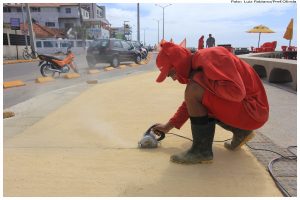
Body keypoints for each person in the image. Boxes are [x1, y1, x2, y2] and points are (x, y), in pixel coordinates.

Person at [152, 42, 269, 164]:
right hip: (252, 111)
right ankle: (241, 131)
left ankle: (201, 151)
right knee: (195, 93)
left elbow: (236, 92)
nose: (174, 78)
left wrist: (199, 81)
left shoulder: (210, 57)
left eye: (171, 73)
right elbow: (191, 102)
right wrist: (168, 126)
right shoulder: (198, 65)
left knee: (194, 90)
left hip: (253, 111)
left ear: (178, 63)